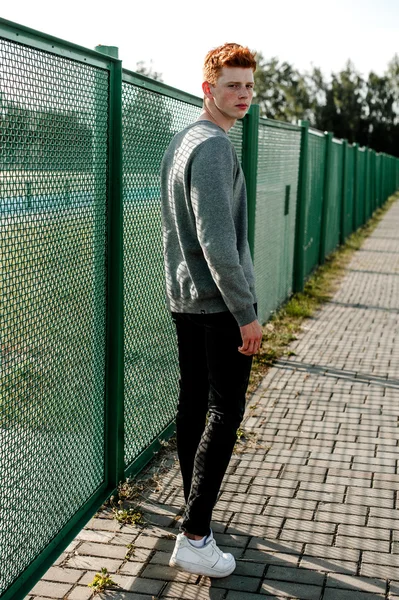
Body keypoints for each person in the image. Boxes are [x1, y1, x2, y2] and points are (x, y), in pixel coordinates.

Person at [160, 42, 263, 579]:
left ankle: (193, 514)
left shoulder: (182, 140)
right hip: (219, 303)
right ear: (209, 89)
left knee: (194, 404)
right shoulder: (215, 146)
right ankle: (196, 534)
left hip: (184, 297)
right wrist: (245, 311)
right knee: (225, 412)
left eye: (248, 85)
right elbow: (218, 242)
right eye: (232, 86)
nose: (243, 95)